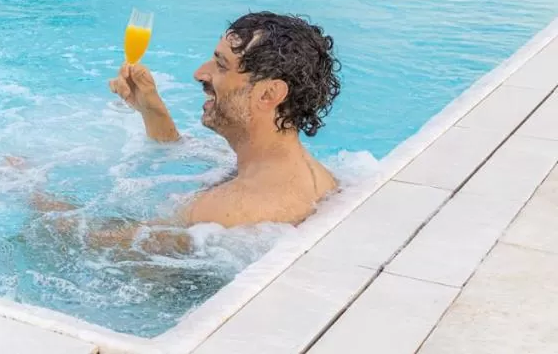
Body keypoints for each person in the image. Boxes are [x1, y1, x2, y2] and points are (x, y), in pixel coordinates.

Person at [30, 12, 342, 251]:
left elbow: (97, 243)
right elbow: (184, 155)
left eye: (221, 65)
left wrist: (31, 192)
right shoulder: (308, 173)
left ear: (268, 94)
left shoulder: (227, 212)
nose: (200, 73)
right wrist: (152, 109)